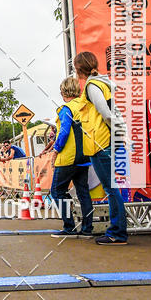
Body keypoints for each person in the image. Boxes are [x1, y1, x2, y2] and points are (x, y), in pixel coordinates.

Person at [74, 51, 128, 245]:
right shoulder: (102, 83)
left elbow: (106, 114)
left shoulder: (92, 86)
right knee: (112, 188)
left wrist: (119, 134)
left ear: (78, 69)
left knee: (111, 189)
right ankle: (117, 230)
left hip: (101, 143)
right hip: (104, 142)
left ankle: (117, 232)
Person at [49, 77, 94, 238]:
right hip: (85, 157)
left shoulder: (65, 109)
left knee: (57, 191)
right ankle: (88, 229)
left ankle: (69, 227)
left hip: (68, 158)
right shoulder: (85, 107)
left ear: (63, 92)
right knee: (83, 192)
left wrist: (55, 150)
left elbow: (64, 131)